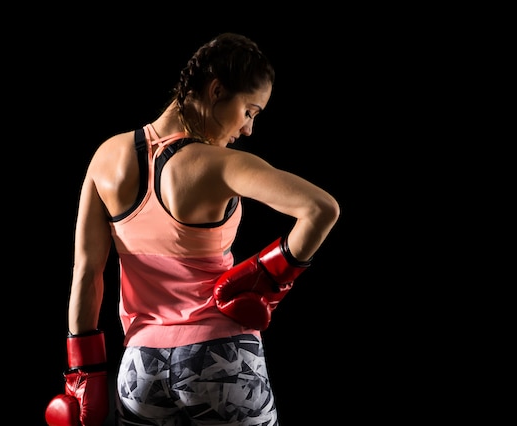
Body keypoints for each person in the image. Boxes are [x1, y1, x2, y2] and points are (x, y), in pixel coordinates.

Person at [45, 32, 340, 426]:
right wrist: (267, 278)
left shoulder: (105, 158)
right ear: (217, 90)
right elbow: (322, 208)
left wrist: (84, 375)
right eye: (250, 111)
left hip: (140, 369)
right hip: (222, 358)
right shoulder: (220, 164)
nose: (249, 129)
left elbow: (86, 273)